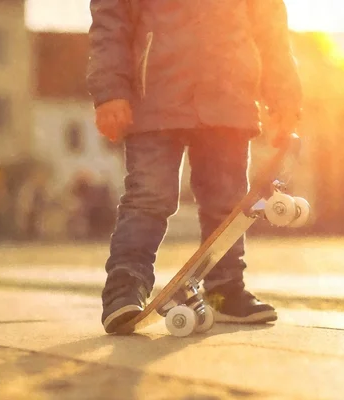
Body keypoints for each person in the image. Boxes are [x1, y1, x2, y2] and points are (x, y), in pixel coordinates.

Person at [86, 0, 302, 334]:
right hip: (154, 96)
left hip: (228, 99)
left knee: (227, 204)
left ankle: (225, 289)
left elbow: (269, 21)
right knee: (149, 197)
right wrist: (111, 90)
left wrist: (283, 92)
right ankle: (125, 284)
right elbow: (112, 18)